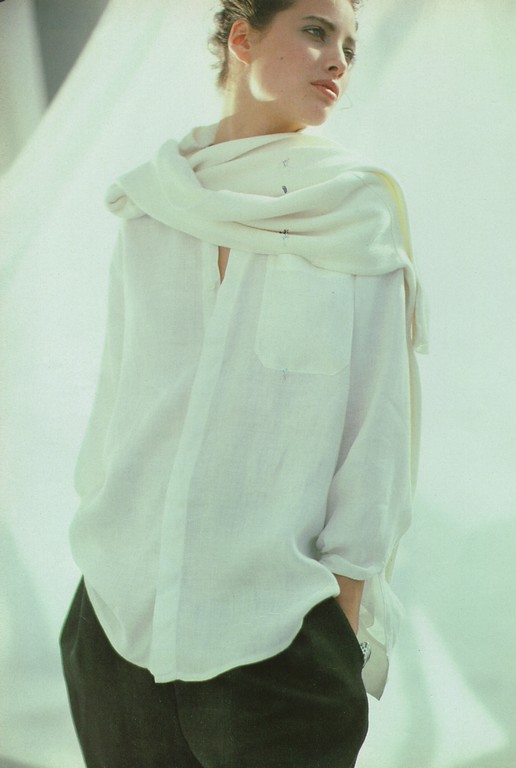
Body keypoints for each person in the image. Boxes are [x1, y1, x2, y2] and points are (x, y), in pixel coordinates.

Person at [59, 0, 427, 765]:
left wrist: (339, 619)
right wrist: (104, 559)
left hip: (278, 639)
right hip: (116, 628)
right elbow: (115, 404)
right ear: (241, 38)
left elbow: (377, 432)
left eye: (349, 45)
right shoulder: (152, 204)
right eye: (316, 31)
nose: (338, 60)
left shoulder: (353, 212)